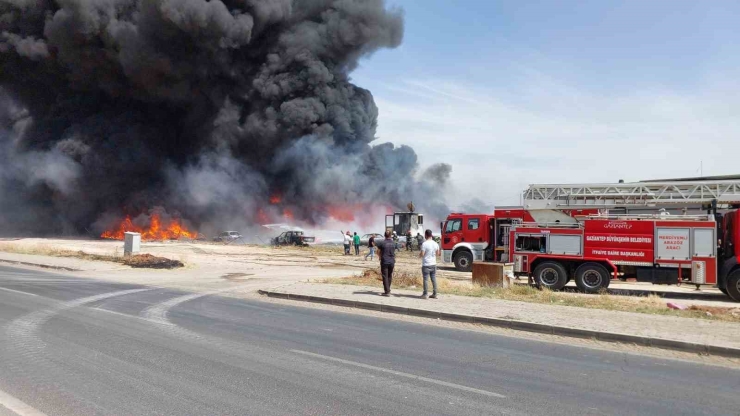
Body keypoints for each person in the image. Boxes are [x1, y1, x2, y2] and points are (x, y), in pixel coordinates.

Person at [419, 229, 440, 299]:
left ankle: (425, 294)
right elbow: (438, 254)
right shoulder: (436, 243)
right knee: (433, 279)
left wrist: (420, 255)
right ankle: (435, 293)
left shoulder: (424, 244)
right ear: (431, 235)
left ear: (426, 235)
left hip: (426, 264)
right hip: (433, 264)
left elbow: (422, 254)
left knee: (425, 279)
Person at [376, 230, 396, 296]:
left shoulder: (382, 243)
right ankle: (388, 289)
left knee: (385, 276)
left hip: (384, 261)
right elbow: (394, 251)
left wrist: (380, 257)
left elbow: (378, 252)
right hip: (392, 261)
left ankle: (387, 292)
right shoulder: (393, 243)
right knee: (389, 276)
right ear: (390, 235)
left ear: (384, 235)